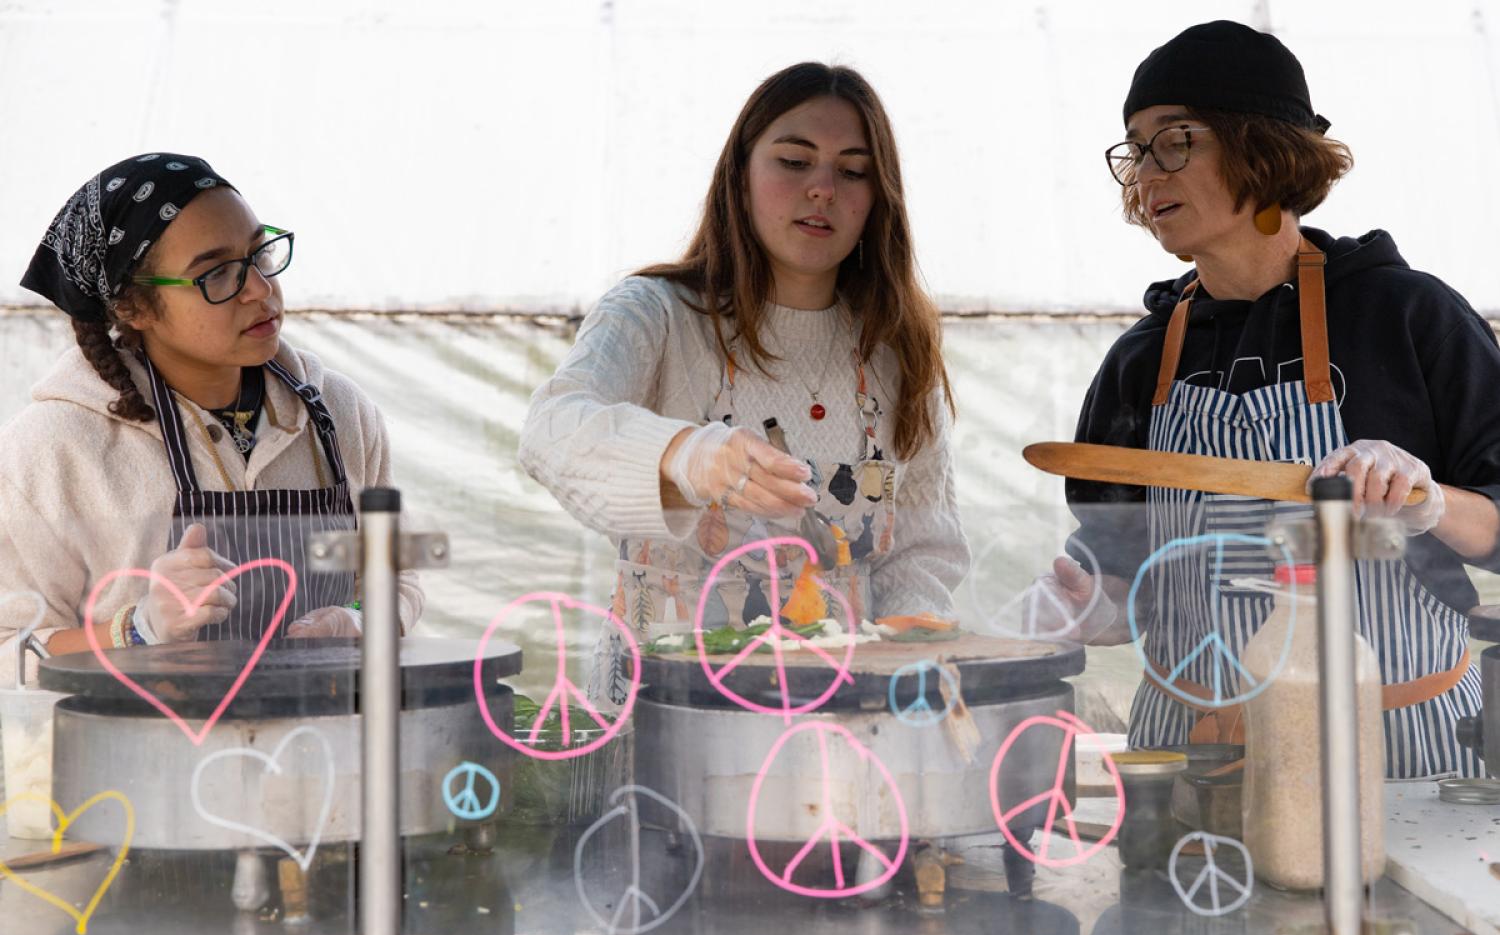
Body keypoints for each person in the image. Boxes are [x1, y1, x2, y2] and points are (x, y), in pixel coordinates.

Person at [1048, 21, 1500, 777]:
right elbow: (1123, 572)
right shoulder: (1141, 359)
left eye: (1175, 140)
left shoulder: (1406, 317)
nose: (1145, 173)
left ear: (1261, 146)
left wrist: (1428, 500)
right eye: (1135, 148)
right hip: (1196, 758)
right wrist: (1092, 606)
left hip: (1397, 761)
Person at [520, 62, 969, 704]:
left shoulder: (898, 348)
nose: (822, 189)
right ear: (741, 174)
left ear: (878, 197)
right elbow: (550, 430)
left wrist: (907, 674)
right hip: (668, 718)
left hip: (840, 718)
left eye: (852, 170)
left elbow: (924, 552)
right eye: (794, 161)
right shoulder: (656, 313)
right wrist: (683, 455)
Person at [0, 153, 422, 684]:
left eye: (259, 255)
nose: (260, 290)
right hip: (147, 762)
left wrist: (362, 622)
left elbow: (396, 575)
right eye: (216, 273)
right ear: (134, 308)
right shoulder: (53, 447)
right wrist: (136, 630)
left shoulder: (339, 412)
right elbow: (9, 654)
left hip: (322, 755)